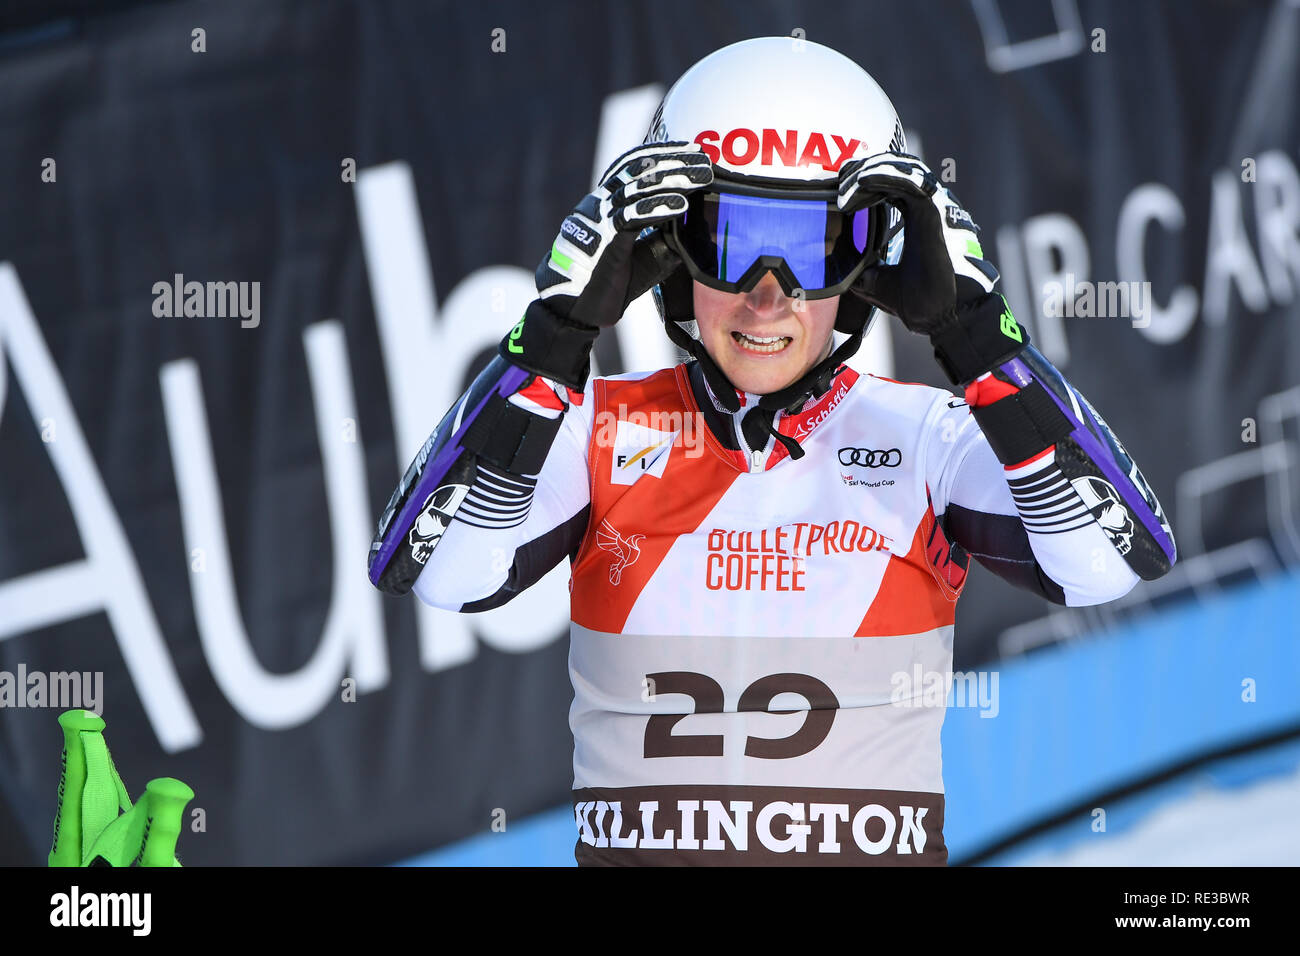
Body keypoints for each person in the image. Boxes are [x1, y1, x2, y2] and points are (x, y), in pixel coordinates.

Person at [368, 37, 1176, 865]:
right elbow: (438, 572)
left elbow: (1110, 562)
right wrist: (547, 345)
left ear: (871, 261)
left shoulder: (930, 440)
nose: (766, 295)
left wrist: (981, 340)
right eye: (734, 236)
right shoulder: (591, 430)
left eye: (809, 247)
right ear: (667, 251)